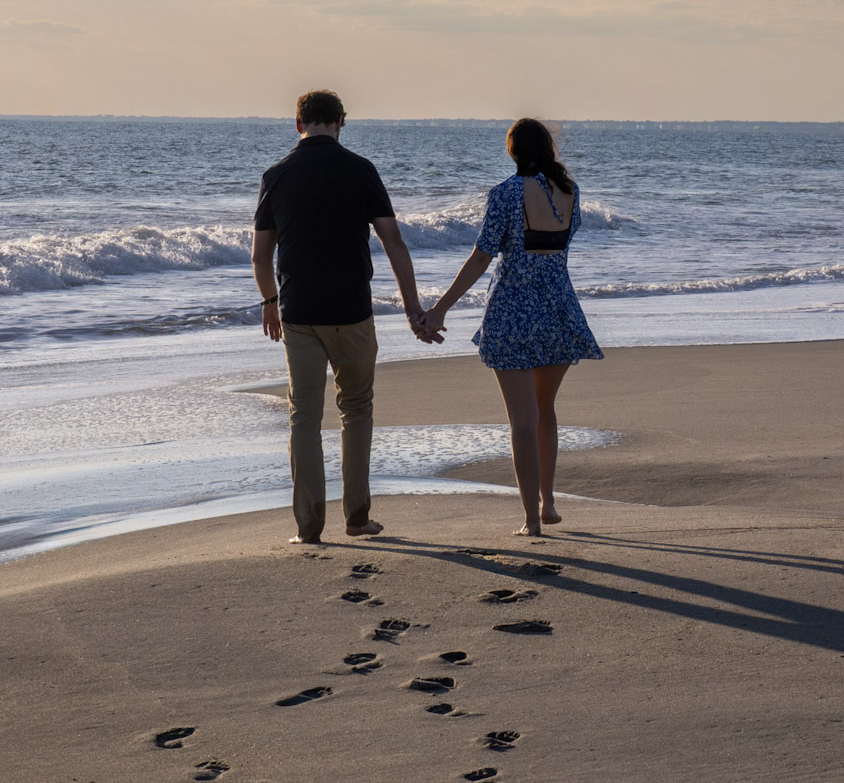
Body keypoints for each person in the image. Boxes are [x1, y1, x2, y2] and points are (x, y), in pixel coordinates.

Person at [253, 89, 432, 544]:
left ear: (299, 124)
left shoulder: (276, 175)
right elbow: (394, 242)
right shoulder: (360, 169)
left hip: (299, 313)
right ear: (340, 124)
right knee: (356, 408)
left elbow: (260, 254)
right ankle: (357, 517)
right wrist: (413, 308)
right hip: (352, 310)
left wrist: (270, 301)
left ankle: (308, 527)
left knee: (304, 417)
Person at [420, 118, 602, 537]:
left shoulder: (505, 194)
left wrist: (440, 309)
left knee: (522, 419)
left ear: (512, 152)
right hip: (559, 310)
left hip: (513, 312)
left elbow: (482, 257)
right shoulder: (570, 193)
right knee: (545, 410)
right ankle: (548, 501)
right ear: (549, 149)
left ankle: (532, 520)